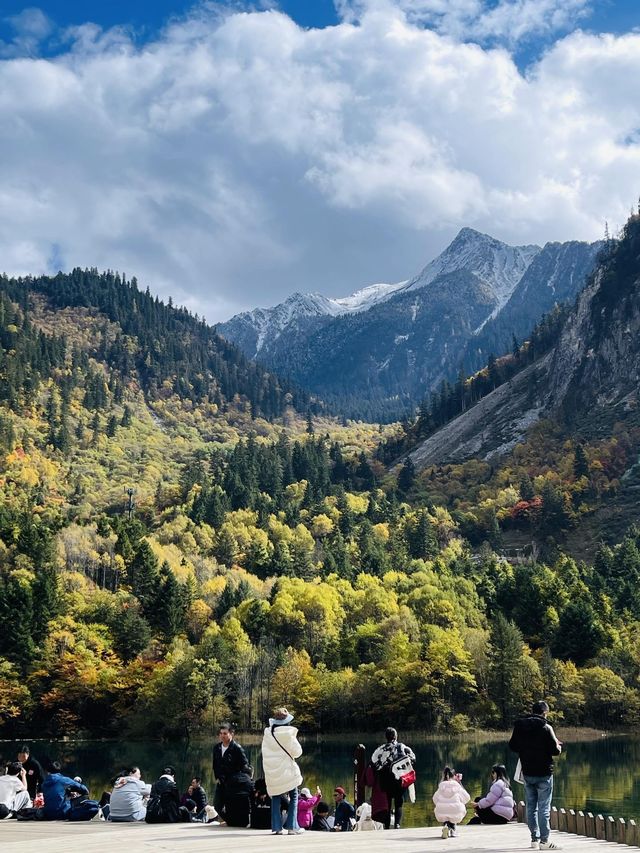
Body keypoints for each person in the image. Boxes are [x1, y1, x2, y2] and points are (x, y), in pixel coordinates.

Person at [509, 700, 562, 851]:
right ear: (544, 712)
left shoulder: (520, 727)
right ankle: (545, 841)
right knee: (544, 807)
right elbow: (555, 751)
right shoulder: (546, 727)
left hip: (527, 772)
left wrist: (525, 748)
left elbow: (512, 745)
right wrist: (557, 745)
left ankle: (534, 839)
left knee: (531, 807)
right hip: (544, 773)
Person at [261, 706, 304, 835]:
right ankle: (292, 826)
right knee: (294, 795)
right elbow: (297, 752)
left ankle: (277, 827)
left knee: (275, 797)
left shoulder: (268, 734)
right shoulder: (289, 735)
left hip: (272, 771)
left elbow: (265, 752)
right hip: (287, 771)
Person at [371, 726, 416, 829]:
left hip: (385, 780)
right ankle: (397, 824)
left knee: (387, 802)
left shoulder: (380, 749)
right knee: (398, 802)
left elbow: (374, 764)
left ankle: (386, 825)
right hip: (399, 778)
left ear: (386, 737)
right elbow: (413, 758)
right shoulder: (402, 747)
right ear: (396, 736)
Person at [212, 721, 249, 821]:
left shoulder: (237, 748)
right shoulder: (217, 748)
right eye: (221, 733)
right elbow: (215, 764)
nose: (222, 736)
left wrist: (241, 780)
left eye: (225, 733)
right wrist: (217, 777)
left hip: (233, 783)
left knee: (231, 805)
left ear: (231, 734)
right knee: (217, 805)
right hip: (221, 781)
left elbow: (245, 766)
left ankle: (232, 822)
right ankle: (229, 820)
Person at [432, 766, 470, 838]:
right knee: (458, 808)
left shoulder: (441, 787)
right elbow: (467, 798)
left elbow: (434, 799)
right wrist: (459, 783)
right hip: (455, 812)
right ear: (454, 776)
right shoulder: (457, 787)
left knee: (444, 809)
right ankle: (453, 829)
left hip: (442, 811)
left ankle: (446, 825)